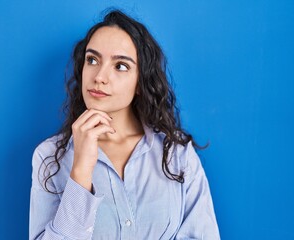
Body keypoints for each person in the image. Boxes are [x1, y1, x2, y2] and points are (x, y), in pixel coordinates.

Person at [29, 9, 220, 240]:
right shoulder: (49, 158)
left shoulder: (177, 154)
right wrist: (80, 171)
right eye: (92, 60)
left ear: (140, 82)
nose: (99, 76)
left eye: (120, 66)